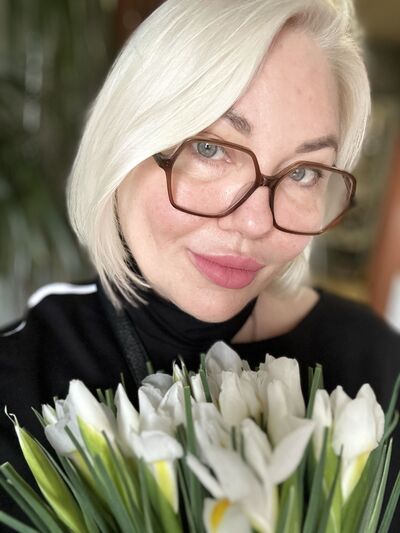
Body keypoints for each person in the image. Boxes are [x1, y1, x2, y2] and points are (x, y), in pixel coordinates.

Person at [1, 0, 400, 530]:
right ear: (125, 143)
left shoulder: (378, 374)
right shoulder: (16, 386)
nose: (255, 222)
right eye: (210, 148)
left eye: (304, 172)